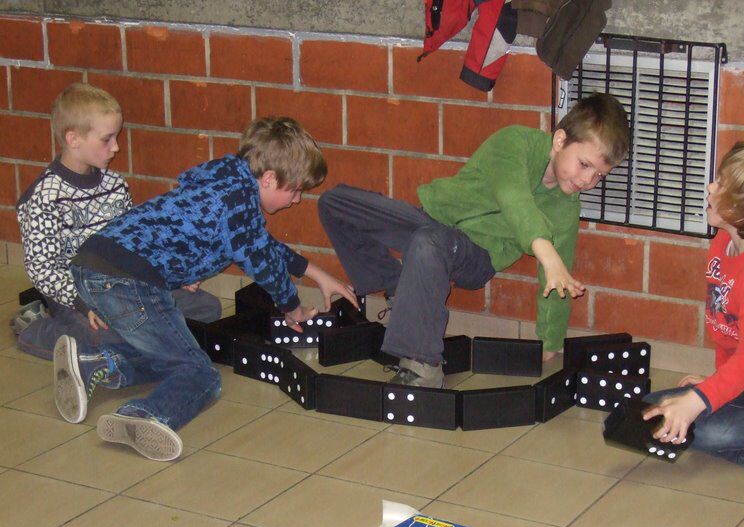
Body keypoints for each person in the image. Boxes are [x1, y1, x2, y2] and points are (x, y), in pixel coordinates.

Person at [55, 116, 357, 461]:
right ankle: (143, 416)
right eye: (295, 190)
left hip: (94, 265)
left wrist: (315, 272)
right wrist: (293, 308)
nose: (297, 200)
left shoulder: (226, 181)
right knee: (201, 374)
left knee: (175, 352)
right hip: (128, 281)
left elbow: (259, 243)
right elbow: (262, 260)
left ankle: (95, 363)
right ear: (269, 178)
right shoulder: (238, 201)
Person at [318, 93, 629, 387]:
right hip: (433, 220)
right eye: (585, 164)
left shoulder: (565, 208)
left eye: (599, 175)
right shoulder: (514, 143)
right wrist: (546, 251)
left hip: (476, 256)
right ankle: (399, 287)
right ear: (560, 140)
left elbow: (557, 280)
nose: (588, 180)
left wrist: (551, 341)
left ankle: (423, 366)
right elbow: (513, 196)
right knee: (334, 204)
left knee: (429, 241)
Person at [14, 82, 221, 362]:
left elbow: (134, 244)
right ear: (73, 139)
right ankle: (36, 329)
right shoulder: (44, 197)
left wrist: (175, 274)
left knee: (207, 308)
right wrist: (84, 303)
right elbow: (43, 270)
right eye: (107, 139)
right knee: (106, 338)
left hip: (122, 291)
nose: (116, 147)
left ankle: (134, 338)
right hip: (76, 297)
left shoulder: (115, 185)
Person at [643, 142, 744, 486]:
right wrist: (716, 384)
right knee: (653, 408)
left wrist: (702, 398)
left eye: (723, 184)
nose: (711, 187)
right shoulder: (722, 244)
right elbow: (730, 337)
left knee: (705, 427)